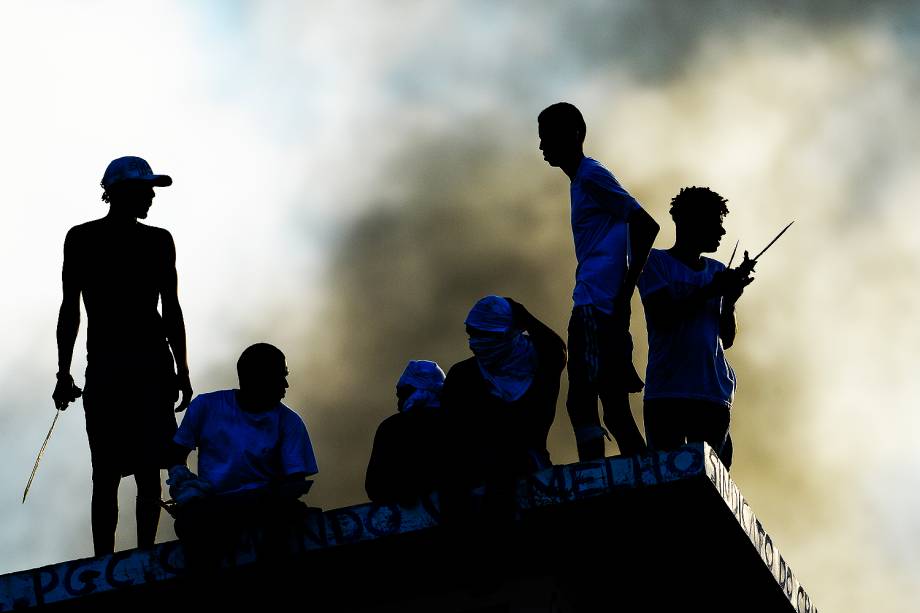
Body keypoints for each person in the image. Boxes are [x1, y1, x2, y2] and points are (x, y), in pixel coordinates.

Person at [53, 155, 192, 556]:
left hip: (141, 365)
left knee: (144, 470)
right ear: (121, 193)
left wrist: (181, 369)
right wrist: (63, 371)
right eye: (145, 189)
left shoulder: (156, 240)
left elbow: (172, 308)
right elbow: (70, 309)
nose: (151, 196)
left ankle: (136, 555)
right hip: (121, 367)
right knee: (110, 472)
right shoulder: (83, 239)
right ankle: (106, 561)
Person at [538, 102, 660, 461]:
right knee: (613, 404)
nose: (543, 146)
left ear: (574, 134)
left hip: (596, 303)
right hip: (604, 303)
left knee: (581, 399)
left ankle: (592, 471)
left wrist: (623, 293)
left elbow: (645, 224)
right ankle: (642, 472)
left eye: (549, 137)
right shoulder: (582, 181)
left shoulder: (591, 176)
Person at [166, 343, 318, 564]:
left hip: (264, 507)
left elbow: (294, 482)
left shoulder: (289, 422)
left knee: (287, 518)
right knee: (190, 521)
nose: (286, 384)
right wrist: (185, 484)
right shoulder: (206, 407)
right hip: (214, 507)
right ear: (256, 378)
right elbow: (175, 455)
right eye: (280, 376)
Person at [637, 187, 754, 468]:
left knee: (709, 488)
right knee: (666, 482)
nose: (722, 232)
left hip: (712, 394)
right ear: (689, 221)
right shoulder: (655, 262)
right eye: (716, 223)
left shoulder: (717, 271)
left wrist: (729, 300)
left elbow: (726, 339)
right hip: (667, 392)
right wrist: (712, 291)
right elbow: (663, 315)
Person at [440, 296, 565, 519]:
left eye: (484, 335)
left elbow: (556, 349)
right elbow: (452, 436)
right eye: (471, 334)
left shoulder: (539, 363)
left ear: (508, 332)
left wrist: (523, 314)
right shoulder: (463, 377)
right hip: (479, 475)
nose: (475, 343)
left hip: (532, 465)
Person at [365, 360, 447, 505]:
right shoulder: (465, 422)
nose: (398, 404)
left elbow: (375, 487)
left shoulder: (392, 428)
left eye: (403, 394)